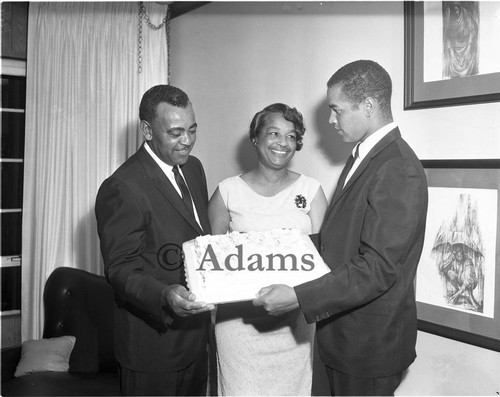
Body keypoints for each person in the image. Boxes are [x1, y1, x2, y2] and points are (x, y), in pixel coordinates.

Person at [254, 60, 429, 396]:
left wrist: (297, 296)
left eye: (337, 110)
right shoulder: (365, 156)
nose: (331, 120)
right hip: (343, 337)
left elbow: (378, 268)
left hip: (368, 348)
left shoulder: (398, 167)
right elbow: (342, 239)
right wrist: (275, 253)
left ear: (368, 106)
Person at [95, 85, 214, 396]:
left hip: (195, 339)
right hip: (151, 348)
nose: (186, 140)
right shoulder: (122, 186)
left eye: (192, 129)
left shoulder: (194, 168)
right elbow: (120, 269)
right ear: (147, 131)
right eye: (175, 132)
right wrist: (164, 294)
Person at [208, 103, 328, 395]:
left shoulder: (311, 191)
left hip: (294, 325)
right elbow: (212, 264)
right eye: (273, 133)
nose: (282, 143)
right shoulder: (227, 192)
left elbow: (324, 260)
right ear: (256, 138)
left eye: (290, 136)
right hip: (238, 324)